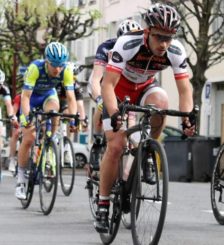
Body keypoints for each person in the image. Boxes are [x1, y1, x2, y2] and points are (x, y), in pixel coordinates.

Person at [94, 3, 195, 233]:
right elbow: (107, 85)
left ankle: (149, 149)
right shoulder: (127, 43)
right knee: (116, 146)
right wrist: (116, 114)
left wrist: (187, 117)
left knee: (161, 103)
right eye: (159, 37)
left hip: (144, 89)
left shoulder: (175, 50)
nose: (164, 44)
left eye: (169, 38)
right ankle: (103, 203)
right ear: (147, 32)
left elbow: (185, 90)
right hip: (118, 91)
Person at [16, 42, 77, 199]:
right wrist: (26, 117)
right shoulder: (35, 68)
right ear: (47, 62)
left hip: (48, 95)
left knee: (54, 111)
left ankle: (51, 139)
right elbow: (25, 97)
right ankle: (21, 180)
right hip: (30, 98)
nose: (58, 69)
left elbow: (71, 98)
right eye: (54, 65)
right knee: (29, 138)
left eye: (61, 66)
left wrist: (74, 119)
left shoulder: (67, 70)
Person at [87, 19, 142, 170]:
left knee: (130, 118)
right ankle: (97, 141)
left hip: (122, 86)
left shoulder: (140, 49)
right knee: (102, 103)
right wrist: (99, 98)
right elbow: (97, 79)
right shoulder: (106, 47)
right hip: (102, 81)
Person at [8, 93, 21, 173]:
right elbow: (14, 112)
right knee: (16, 133)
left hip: (30, 118)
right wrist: (13, 119)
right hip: (20, 118)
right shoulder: (19, 97)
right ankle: (12, 159)